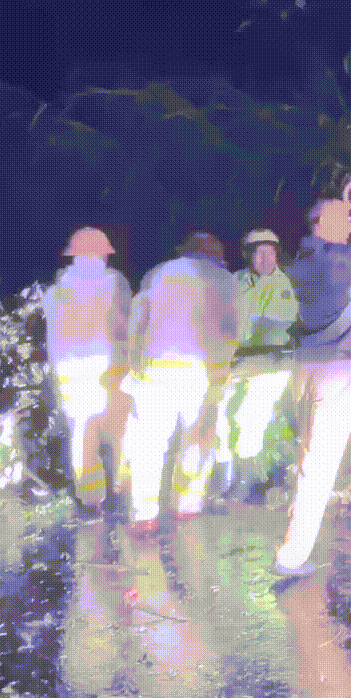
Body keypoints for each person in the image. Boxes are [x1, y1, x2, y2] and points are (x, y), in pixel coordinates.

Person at [274, 180, 351, 576]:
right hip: (335, 376)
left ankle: (295, 542)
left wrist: (339, 209)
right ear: (322, 224)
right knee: (321, 466)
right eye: (345, 217)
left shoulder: (299, 261)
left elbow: (332, 242)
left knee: (308, 455)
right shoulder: (341, 262)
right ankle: (292, 559)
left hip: (306, 370)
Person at [122, 232, 242, 537]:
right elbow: (236, 331)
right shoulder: (227, 282)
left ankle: (144, 516)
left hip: (156, 373)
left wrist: (136, 356)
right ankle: (186, 506)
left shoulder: (160, 273)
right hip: (202, 377)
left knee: (148, 444)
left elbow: (137, 320)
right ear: (215, 255)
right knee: (198, 441)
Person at [41, 227, 132, 518]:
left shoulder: (56, 291)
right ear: (104, 256)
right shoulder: (112, 283)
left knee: (82, 435)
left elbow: (50, 334)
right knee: (120, 432)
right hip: (108, 371)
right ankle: (123, 487)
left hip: (70, 376)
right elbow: (125, 325)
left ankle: (91, 499)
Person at [211, 229, 299, 509]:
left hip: (270, 363)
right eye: (258, 252)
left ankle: (245, 479)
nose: (264, 258)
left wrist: (240, 341)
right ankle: (223, 472)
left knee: (248, 414)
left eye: (269, 252)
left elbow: (274, 329)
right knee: (217, 412)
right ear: (246, 255)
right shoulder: (234, 281)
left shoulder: (285, 285)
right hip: (234, 362)